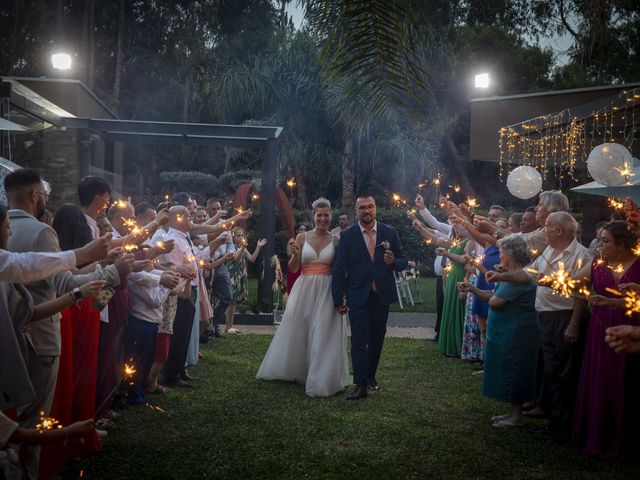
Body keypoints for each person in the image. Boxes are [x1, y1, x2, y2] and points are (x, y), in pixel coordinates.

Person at [486, 211, 591, 441]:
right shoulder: (548, 251)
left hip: (564, 317)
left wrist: (573, 324)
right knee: (551, 372)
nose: (543, 231)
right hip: (544, 316)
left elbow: (581, 293)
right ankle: (555, 423)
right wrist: (500, 277)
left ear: (559, 231)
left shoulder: (581, 255)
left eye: (547, 228)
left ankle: (567, 427)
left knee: (565, 372)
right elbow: (528, 275)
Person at [257, 198, 349, 397]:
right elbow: (293, 268)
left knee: (323, 330)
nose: (323, 219)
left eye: (326, 215)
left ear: (331, 217)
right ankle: (300, 370)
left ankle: (322, 377)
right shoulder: (301, 238)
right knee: (301, 329)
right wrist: (295, 255)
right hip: (305, 286)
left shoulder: (336, 240)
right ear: (313, 216)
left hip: (327, 289)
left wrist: (342, 296)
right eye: (319, 215)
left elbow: (340, 270)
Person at [571, 221, 640, 459]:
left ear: (622, 243)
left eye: (605, 240)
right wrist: (583, 292)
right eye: (599, 239)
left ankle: (626, 441)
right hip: (601, 329)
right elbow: (572, 283)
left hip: (633, 328)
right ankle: (597, 436)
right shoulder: (597, 263)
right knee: (601, 377)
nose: (599, 245)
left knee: (629, 380)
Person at [332, 195, 407, 400]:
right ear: (357, 211)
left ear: (376, 208)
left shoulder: (389, 232)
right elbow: (339, 270)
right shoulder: (348, 236)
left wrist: (394, 261)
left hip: (381, 295)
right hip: (358, 295)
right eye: (362, 208)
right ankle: (360, 384)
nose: (367, 211)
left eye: (370, 207)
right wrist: (338, 298)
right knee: (358, 339)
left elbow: (403, 260)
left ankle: (371, 375)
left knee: (377, 338)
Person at [461, 235, 538, 427]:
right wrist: (472, 288)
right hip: (508, 330)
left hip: (517, 331)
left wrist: (486, 288)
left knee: (515, 369)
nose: (500, 255)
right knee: (510, 368)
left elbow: (495, 302)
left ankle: (516, 416)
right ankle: (512, 412)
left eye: (502, 251)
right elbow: (493, 295)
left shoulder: (517, 279)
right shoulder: (511, 274)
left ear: (511, 253)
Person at [226, 227, 266, 334]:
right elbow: (236, 259)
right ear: (233, 237)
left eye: (242, 235)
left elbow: (252, 259)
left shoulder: (242, 247)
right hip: (233, 276)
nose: (240, 237)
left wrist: (258, 247)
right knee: (231, 302)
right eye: (237, 235)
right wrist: (243, 247)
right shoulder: (231, 247)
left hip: (241, 276)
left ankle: (230, 326)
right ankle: (228, 327)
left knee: (234, 302)